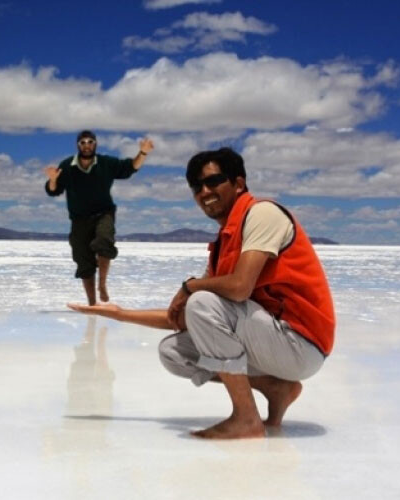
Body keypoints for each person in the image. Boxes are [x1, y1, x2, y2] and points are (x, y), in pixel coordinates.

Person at [68, 147, 335, 439]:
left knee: (202, 302)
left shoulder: (262, 214)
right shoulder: (224, 245)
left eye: (213, 181)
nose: (204, 191)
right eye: (196, 187)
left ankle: (246, 419)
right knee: (173, 352)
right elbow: (185, 318)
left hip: (302, 343)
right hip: (272, 341)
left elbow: (239, 287)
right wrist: (120, 315)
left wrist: (190, 286)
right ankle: (275, 387)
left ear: (239, 183)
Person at [45, 130, 155, 305]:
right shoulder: (67, 166)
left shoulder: (105, 163)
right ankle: (92, 304)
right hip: (79, 219)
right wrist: (52, 179)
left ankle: (102, 285)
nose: (87, 145)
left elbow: (130, 168)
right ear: (78, 145)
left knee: (103, 241)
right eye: (83, 142)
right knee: (83, 261)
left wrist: (143, 152)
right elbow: (54, 191)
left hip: (103, 213)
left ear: (95, 144)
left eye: (90, 142)